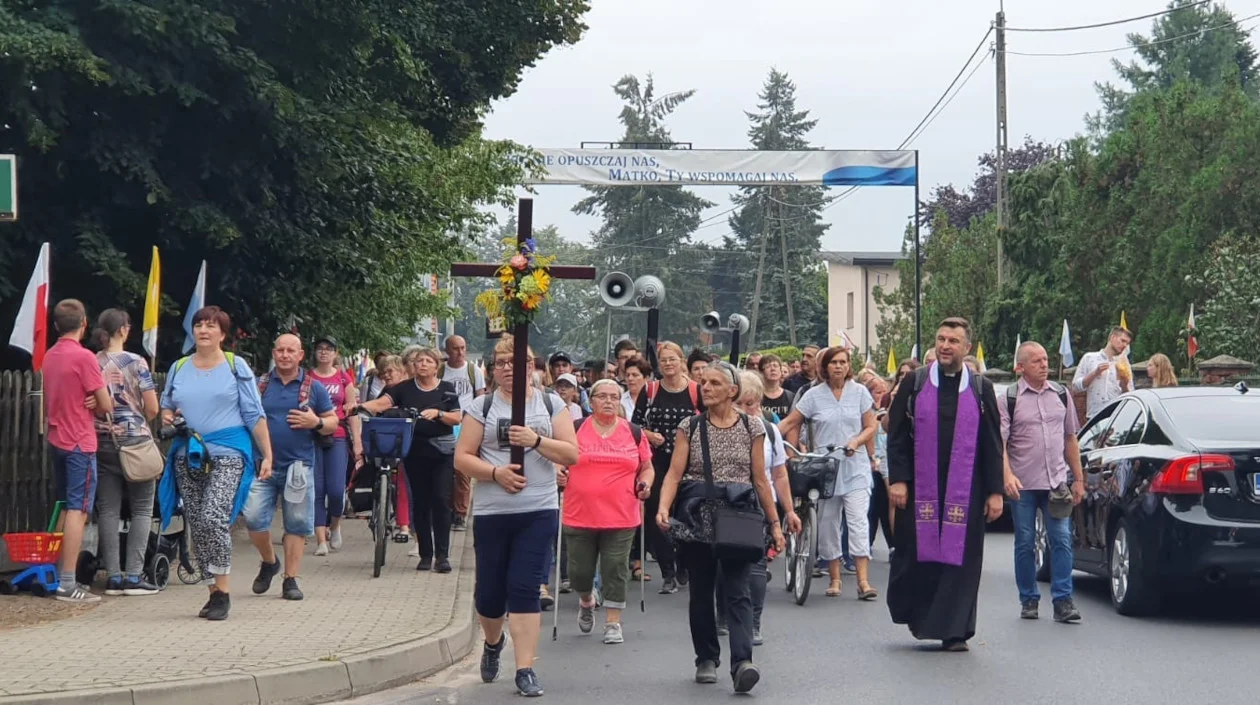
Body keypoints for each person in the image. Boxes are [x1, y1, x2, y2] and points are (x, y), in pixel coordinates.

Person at [454, 335, 578, 697]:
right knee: (490, 595)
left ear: (532, 367)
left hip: (538, 508)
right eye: (502, 363)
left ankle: (525, 669)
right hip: (494, 510)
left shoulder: (550, 403)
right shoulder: (483, 405)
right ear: (494, 369)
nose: (509, 369)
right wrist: (496, 474)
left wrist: (536, 441)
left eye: (518, 363)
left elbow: (572, 454)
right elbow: (462, 456)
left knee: (525, 588)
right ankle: (493, 643)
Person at [656, 362, 784, 693]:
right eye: (703, 382)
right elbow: (674, 472)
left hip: (739, 517)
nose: (706, 387)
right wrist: (663, 507)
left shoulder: (752, 427)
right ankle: (706, 657)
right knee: (701, 590)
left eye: (714, 383)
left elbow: (759, 478)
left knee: (738, 591)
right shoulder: (691, 426)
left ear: (732, 391)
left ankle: (742, 662)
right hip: (698, 516)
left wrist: (775, 523)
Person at [886, 317, 1004, 651]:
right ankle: (921, 618)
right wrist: (899, 480)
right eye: (941, 339)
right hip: (921, 486)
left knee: (961, 561)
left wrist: (995, 491)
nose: (945, 346)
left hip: (967, 488)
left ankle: (954, 631)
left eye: (953, 341)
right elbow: (896, 436)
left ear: (966, 348)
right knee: (917, 556)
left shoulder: (981, 389)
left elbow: (993, 442)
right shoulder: (916, 382)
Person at [159, 306, 273, 621]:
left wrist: (267, 454)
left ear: (223, 334)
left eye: (211, 326)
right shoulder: (179, 366)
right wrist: (169, 418)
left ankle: (223, 591)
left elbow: (254, 414)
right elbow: (167, 406)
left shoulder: (236, 367)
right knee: (197, 523)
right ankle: (212, 593)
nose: (204, 331)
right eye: (198, 326)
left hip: (229, 451)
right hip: (189, 453)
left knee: (213, 517)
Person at [779, 346, 879, 599]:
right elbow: (792, 421)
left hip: (854, 466)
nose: (839, 366)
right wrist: (767, 437)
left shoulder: (859, 393)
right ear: (825, 367)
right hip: (824, 467)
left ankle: (863, 582)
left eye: (843, 362)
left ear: (849, 366)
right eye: (834, 362)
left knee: (857, 521)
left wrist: (857, 442)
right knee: (828, 523)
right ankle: (834, 579)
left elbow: (871, 426)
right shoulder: (814, 396)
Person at [245, 334, 336, 600]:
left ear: (300, 355)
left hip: (299, 465)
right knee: (252, 517)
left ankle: (291, 579)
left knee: (296, 523)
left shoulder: (313, 387)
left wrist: (315, 422)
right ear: (273, 353)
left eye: (290, 351)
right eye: (280, 350)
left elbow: (333, 423)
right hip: (262, 465)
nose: (285, 355)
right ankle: (270, 562)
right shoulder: (259, 385)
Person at [565, 378, 654, 644]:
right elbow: (560, 460)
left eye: (614, 397)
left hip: (621, 514)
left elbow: (647, 466)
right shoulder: (575, 429)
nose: (608, 401)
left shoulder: (634, 432)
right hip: (579, 513)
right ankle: (586, 599)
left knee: (615, 568)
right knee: (579, 573)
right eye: (601, 396)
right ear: (590, 402)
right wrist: (559, 473)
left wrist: (646, 483)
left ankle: (613, 622)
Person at [1001, 342, 1085, 622]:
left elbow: (1070, 437)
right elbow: (999, 444)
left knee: (1061, 540)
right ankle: (1029, 599)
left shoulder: (1061, 394)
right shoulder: (1009, 398)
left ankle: (1063, 600)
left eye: (1045, 359)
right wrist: (1007, 475)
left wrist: (1079, 480)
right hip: (1022, 484)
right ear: (1020, 367)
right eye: (1036, 361)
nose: (1044, 365)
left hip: (1056, 483)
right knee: (1025, 542)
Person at [358, 347, 461, 572]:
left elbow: (457, 417)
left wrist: (439, 414)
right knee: (421, 503)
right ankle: (426, 554)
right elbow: (383, 403)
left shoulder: (446, 388)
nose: (422, 364)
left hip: (441, 452)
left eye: (427, 361)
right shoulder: (403, 389)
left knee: (442, 501)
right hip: (414, 451)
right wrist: (361, 406)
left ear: (436, 366)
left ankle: (442, 556)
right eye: (418, 361)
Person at [45, 299, 113, 602]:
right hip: (79, 442)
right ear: (84, 324)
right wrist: (96, 402)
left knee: (63, 504)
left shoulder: (50, 356)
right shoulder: (84, 357)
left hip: (57, 437)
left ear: (56, 325)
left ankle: (51, 573)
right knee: (78, 509)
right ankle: (68, 582)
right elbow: (107, 404)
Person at [92, 308, 161, 596]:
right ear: (122, 330)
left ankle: (113, 576)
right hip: (135, 440)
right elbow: (153, 407)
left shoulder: (92, 361)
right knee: (142, 508)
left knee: (108, 510)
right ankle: (134, 576)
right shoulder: (136, 362)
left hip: (102, 440)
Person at [731, 371, 799, 644]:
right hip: (726, 503)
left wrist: (790, 510)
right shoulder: (716, 429)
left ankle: (754, 622)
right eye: (741, 404)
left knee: (757, 565)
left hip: (760, 505)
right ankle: (725, 614)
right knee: (727, 565)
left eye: (753, 404)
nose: (748, 410)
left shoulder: (769, 431)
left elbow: (779, 474)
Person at [633, 341, 703, 593]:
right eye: (663, 360)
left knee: (687, 513)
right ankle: (668, 572)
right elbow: (635, 425)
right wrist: (650, 435)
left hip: (690, 462)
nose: (668, 364)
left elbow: (708, 423)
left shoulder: (696, 391)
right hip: (658, 461)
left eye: (672, 359)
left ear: (681, 361)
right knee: (657, 515)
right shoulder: (650, 390)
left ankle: (684, 560)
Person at [308, 335, 361, 556]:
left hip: (337, 435)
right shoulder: (308, 378)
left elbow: (353, 413)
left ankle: (335, 524)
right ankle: (321, 540)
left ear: (335, 353)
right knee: (317, 490)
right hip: (312, 437)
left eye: (328, 349)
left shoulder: (343, 379)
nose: (323, 352)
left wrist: (358, 442)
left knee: (337, 489)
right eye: (320, 348)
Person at [442, 336, 484, 532]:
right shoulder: (441, 371)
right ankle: (446, 509)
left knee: (463, 471)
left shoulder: (473, 371)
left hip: (467, 424)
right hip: (445, 423)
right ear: (447, 351)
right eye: (455, 349)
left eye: (463, 348)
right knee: (445, 470)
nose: (460, 353)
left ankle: (460, 513)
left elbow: (481, 397)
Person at [1072, 326, 1133, 420]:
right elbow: (1076, 386)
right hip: (1094, 416)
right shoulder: (1089, 358)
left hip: (1115, 416)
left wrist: (1124, 385)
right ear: (1112, 337)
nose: (1125, 345)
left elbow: (1130, 396)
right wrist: (1094, 373)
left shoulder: (1124, 364)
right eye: (1123, 341)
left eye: (1127, 343)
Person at [758, 354, 792, 421]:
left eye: (775, 366)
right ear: (761, 372)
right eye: (768, 367)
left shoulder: (790, 397)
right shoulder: (756, 396)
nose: (772, 369)